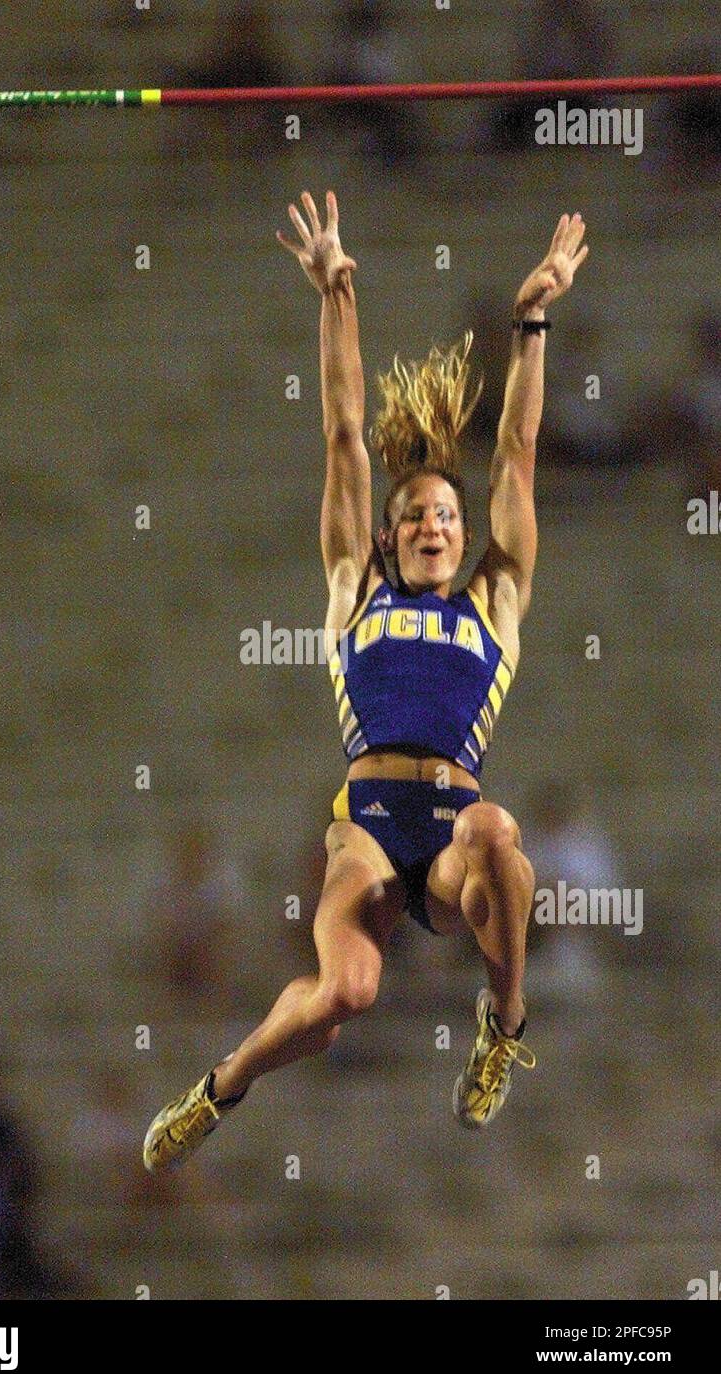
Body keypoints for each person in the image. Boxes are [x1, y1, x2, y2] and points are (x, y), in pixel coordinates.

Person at [144, 190, 589, 1171]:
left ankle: (502, 1023)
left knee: (497, 832)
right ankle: (220, 1086)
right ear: (388, 536)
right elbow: (343, 436)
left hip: (452, 834)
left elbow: (516, 453)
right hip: (368, 828)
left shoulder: (495, 601)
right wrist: (335, 295)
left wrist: (531, 320)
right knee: (345, 993)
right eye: (416, 514)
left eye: (448, 516)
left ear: (464, 539)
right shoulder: (353, 586)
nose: (435, 524)